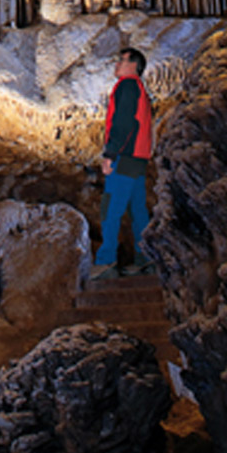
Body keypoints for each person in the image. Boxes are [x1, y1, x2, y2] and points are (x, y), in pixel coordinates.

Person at [90, 45, 152, 280]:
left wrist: (110, 154)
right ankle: (146, 258)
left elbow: (124, 123)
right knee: (138, 211)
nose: (117, 64)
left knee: (111, 208)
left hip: (125, 157)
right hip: (139, 159)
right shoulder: (140, 89)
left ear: (134, 65)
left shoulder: (127, 86)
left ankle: (106, 261)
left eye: (122, 60)